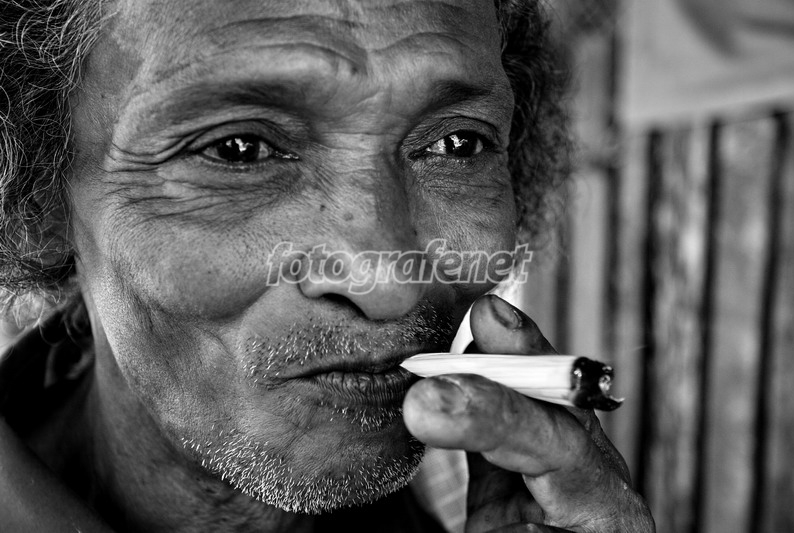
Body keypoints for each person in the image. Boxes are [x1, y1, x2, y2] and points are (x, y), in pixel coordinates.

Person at [0, 0, 655, 531]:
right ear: (36, 196)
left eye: (458, 144)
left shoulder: (474, 493)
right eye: (238, 149)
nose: (390, 283)